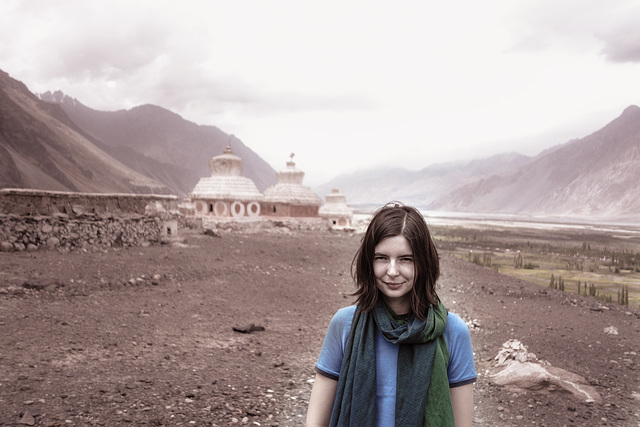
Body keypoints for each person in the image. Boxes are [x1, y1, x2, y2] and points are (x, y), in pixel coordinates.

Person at [306, 203, 476, 427]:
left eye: (406, 259)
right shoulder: (345, 324)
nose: (392, 271)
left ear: (423, 264)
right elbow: (315, 422)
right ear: (369, 262)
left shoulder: (452, 331)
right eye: (382, 258)